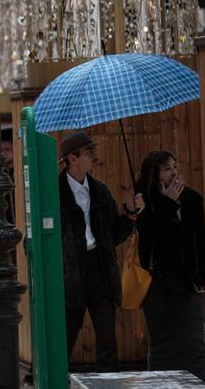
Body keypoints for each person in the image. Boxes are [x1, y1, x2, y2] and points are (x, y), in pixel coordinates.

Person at [57, 131, 144, 372]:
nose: (94, 156)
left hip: (101, 270)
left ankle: (108, 382)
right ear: (72, 158)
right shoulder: (54, 193)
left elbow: (114, 235)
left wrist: (130, 214)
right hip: (70, 274)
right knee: (64, 337)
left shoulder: (101, 191)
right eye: (88, 152)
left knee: (107, 337)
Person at [134, 150, 205, 380]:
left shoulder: (192, 199)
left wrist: (202, 278)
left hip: (189, 286)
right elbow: (152, 241)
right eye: (167, 169)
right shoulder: (145, 203)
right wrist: (167, 204)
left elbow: (200, 242)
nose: (175, 172)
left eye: (175, 166)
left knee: (195, 347)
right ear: (155, 176)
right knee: (162, 350)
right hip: (159, 289)